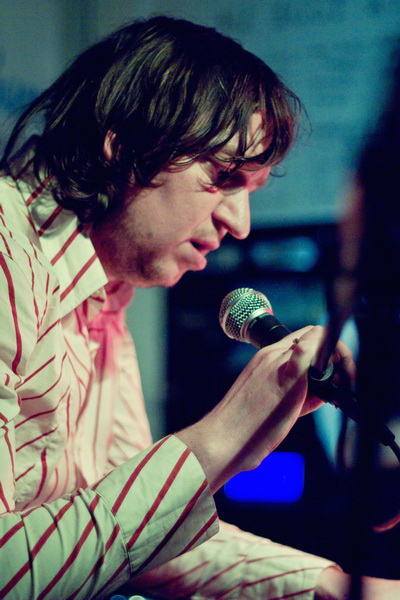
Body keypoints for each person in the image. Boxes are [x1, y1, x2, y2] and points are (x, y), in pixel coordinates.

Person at [0, 14, 397, 600]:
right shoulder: (7, 254)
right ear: (123, 146)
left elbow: (132, 535)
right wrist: (224, 435)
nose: (240, 223)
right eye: (225, 175)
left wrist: (333, 588)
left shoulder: (103, 293)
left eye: (251, 191)